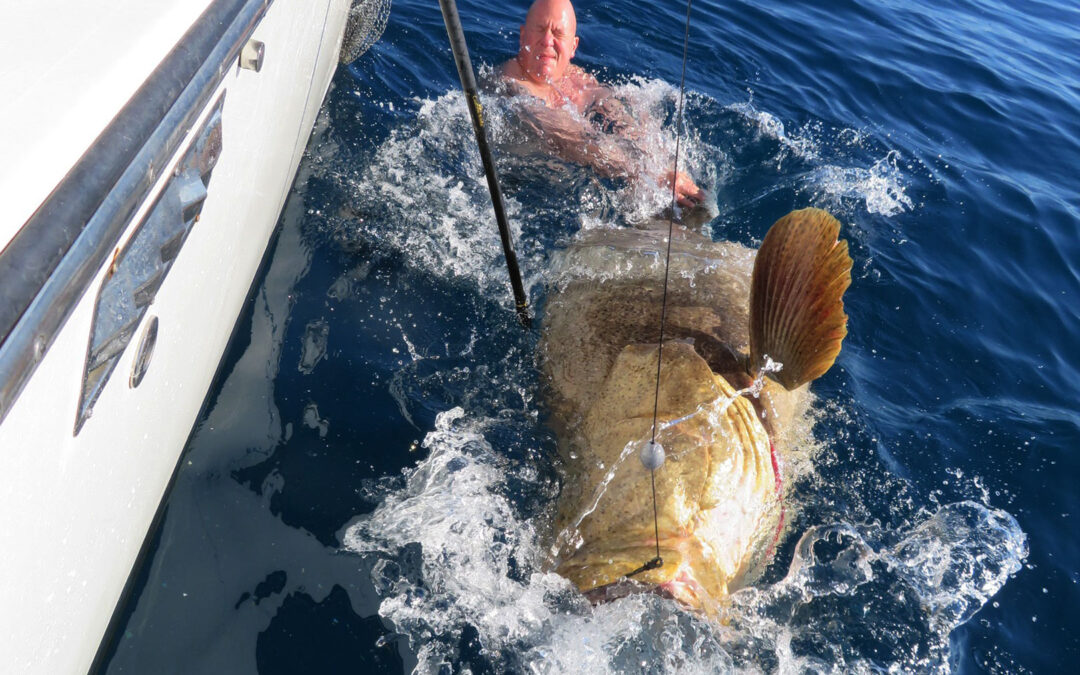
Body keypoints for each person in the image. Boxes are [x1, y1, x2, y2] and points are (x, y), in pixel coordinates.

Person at [500, 0, 705, 209]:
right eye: (540, 30)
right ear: (523, 35)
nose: (547, 41)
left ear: (573, 46)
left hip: (580, 176)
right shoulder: (512, 82)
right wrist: (647, 174)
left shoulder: (575, 78)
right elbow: (567, 136)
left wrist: (667, 166)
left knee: (674, 209)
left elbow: (624, 118)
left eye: (558, 34)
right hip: (527, 188)